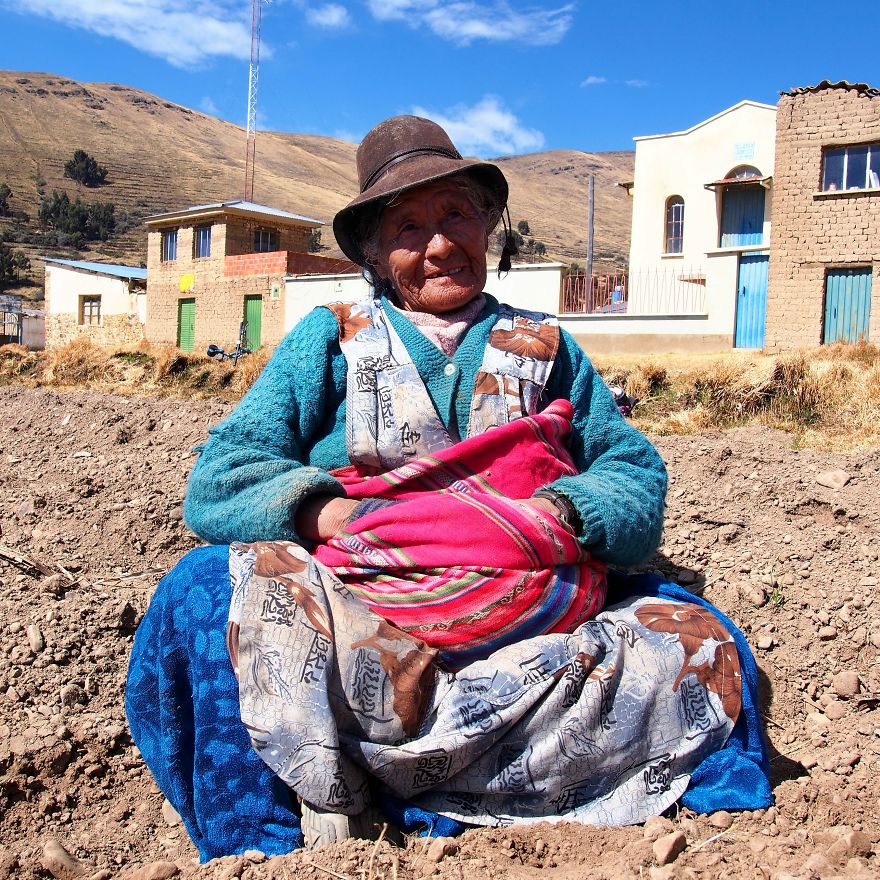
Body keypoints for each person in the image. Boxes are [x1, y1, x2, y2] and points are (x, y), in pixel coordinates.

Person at [127, 115, 770, 862]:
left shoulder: (547, 346)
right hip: (367, 624)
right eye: (407, 227)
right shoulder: (330, 338)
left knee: (697, 634)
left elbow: (630, 473)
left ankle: (390, 782)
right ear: (372, 252)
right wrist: (325, 510)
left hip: (535, 625)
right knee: (204, 592)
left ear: (487, 227)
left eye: (456, 214)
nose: (438, 243)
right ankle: (271, 831)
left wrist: (557, 515)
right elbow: (222, 477)